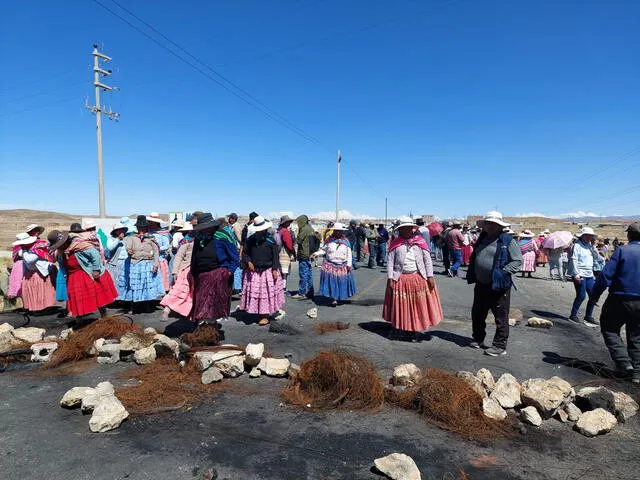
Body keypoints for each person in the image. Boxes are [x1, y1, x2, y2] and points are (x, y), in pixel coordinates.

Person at [466, 211, 523, 356]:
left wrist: (503, 272)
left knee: (500, 316)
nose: (490, 226)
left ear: (499, 226)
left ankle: (499, 346)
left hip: (498, 285)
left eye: (493, 224)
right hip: (481, 283)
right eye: (488, 223)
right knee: (477, 313)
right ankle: (478, 338)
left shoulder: (507, 241)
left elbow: (517, 261)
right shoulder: (483, 238)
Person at [592, 223, 640, 383]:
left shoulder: (622, 250)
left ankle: (624, 363)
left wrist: (594, 295)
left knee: (610, 329)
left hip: (619, 299)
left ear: (629, 235)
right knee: (636, 335)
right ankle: (637, 373)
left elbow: (605, 276)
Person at [383, 217, 443, 341]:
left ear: (412, 229)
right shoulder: (396, 243)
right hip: (400, 278)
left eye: (409, 228)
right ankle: (403, 327)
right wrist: (390, 277)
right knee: (402, 305)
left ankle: (414, 328)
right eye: (404, 228)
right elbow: (390, 262)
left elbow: (427, 260)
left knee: (416, 306)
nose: (406, 230)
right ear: (400, 230)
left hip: (417, 277)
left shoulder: (420, 242)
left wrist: (430, 276)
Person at [48, 230, 117, 318]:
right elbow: (60, 262)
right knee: (76, 300)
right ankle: (79, 320)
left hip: (86, 273)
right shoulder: (61, 252)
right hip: (72, 277)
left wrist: (96, 270)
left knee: (97, 296)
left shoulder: (80, 246)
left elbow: (95, 255)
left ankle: (104, 317)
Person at [190, 212, 239, 327]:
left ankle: (210, 328)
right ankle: (204, 326)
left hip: (218, 273)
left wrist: (229, 271)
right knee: (201, 302)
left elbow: (234, 257)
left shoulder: (223, 235)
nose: (204, 230)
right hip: (201, 275)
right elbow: (194, 255)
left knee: (212, 304)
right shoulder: (199, 236)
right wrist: (192, 273)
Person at [240, 216, 285, 325]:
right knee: (257, 294)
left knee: (266, 294)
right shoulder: (250, 240)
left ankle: (264, 315)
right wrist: (249, 262)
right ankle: (259, 313)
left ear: (264, 229)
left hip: (267, 271)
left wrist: (275, 269)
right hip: (254, 271)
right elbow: (245, 253)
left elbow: (275, 256)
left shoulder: (270, 240)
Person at [119, 215, 164, 313]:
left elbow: (156, 252)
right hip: (134, 264)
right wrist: (129, 250)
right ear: (137, 227)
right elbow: (128, 246)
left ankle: (147, 305)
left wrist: (155, 265)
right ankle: (133, 306)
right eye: (140, 227)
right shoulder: (131, 237)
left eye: (143, 227)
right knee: (133, 285)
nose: (141, 229)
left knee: (146, 286)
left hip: (147, 264)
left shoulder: (151, 238)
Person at [312, 222, 357, 306]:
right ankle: (333, 298)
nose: (337, 232)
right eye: (336, 231)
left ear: (342, 232)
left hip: (342, 265)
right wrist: (317, 253)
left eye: (339, 231)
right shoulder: (329, 240)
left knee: (340, 282)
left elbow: (349, 254)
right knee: (332, 282)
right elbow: (324, 250)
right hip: (330, 265)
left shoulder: (345, 241)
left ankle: (339, 297)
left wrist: (349, 264)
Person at [12, 232, 56, 312]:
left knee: (38, 291)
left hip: (38, 274)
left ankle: (41, 309)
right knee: (30, 291)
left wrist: (24, 251)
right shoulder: (28, 249)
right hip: (30, 273)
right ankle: (33, 308)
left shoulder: (37, 249)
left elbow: (29, 260)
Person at [161, 223, 195, 320]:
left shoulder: (199, 241)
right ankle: (166, 310)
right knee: (178, 290)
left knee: (191, 293)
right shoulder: (186, 242)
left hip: (195, 269)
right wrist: (175, 271)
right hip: (185, 270)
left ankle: (187, 311)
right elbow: (179, 257)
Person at [567, 227, 599, 327]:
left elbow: (597, 258)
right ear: (583, 236)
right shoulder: (577, 246)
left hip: (589, 274)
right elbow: (574, 260)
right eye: (588, 235)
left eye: (591, 236)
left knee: (593, 296)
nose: (590, 237)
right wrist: (576, 274)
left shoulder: (589, 247)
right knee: (581, 296)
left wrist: (594, 247)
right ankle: (573, 315)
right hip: (580, 273)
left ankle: (588, 316)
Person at [291, 214, 317, 300]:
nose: (298, 224)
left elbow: (298, 240)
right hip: (309, 254)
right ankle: (310, 291)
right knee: (309, 274)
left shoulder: (304, 229)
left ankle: (301, 292)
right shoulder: (311, 228)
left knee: (303, 274)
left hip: (303, 254)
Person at [147, 212, 171, 292]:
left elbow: (166, 246)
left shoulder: (163, 233)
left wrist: (155, 249)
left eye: (150, 221)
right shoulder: (147, 232)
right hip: (149, 259)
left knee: (160, 278)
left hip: (160, 259)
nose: (149, 223)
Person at [105, 223, 129, 295]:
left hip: (125, 262)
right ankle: (114, 298)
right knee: (114, 281)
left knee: (123, 281)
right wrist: (118, 239)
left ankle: (123, 298)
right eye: (119, 230)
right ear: (115, 231)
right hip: (114, 263)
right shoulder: (111, 239)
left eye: (122, 230)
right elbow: (110, 247)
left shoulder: (126, 239)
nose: (121, 232)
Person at [276, 215, 296, 292]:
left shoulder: (278, 230)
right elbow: (289, 244)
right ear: (285, 223)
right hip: (284, 253)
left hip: (278, 252)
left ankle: (278, 287)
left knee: (279, 271)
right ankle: (283, 288)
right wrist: (293, 252)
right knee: (284, 272)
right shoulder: (285, 231)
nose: (289, 223)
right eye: (288, 222)